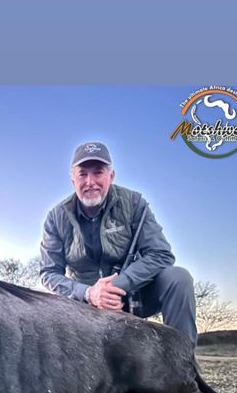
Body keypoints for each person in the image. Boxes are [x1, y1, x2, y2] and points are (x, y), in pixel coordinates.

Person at [39, 141, 197, 344]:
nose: (90, 182)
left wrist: (117, 285)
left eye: (98, 172)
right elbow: (48, 272)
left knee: (179, 278)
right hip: (83, 304)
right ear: (72, 180)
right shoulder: (55, 217)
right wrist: (89, 293)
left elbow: (161, 254)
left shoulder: (134, 203)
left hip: (132, 296)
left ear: (111, 176)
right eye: (82, 174)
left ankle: (182, 357)